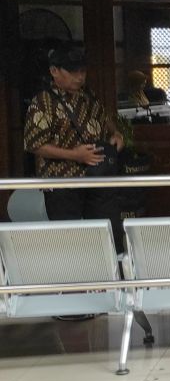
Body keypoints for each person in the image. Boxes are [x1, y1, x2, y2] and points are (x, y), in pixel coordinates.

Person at [23, 45, 125, 252]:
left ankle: (108, 279)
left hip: (97, 177)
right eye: (73, 72)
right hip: (62, 183)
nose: (79, 77)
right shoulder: (43, 101)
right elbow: (34, 144)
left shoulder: (88, 95)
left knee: (107, 234)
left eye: (83, 71)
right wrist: (75, 155)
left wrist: (116, 135)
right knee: (71, 240)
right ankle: (75, 283)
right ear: (54, 71)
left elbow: (105, 120)